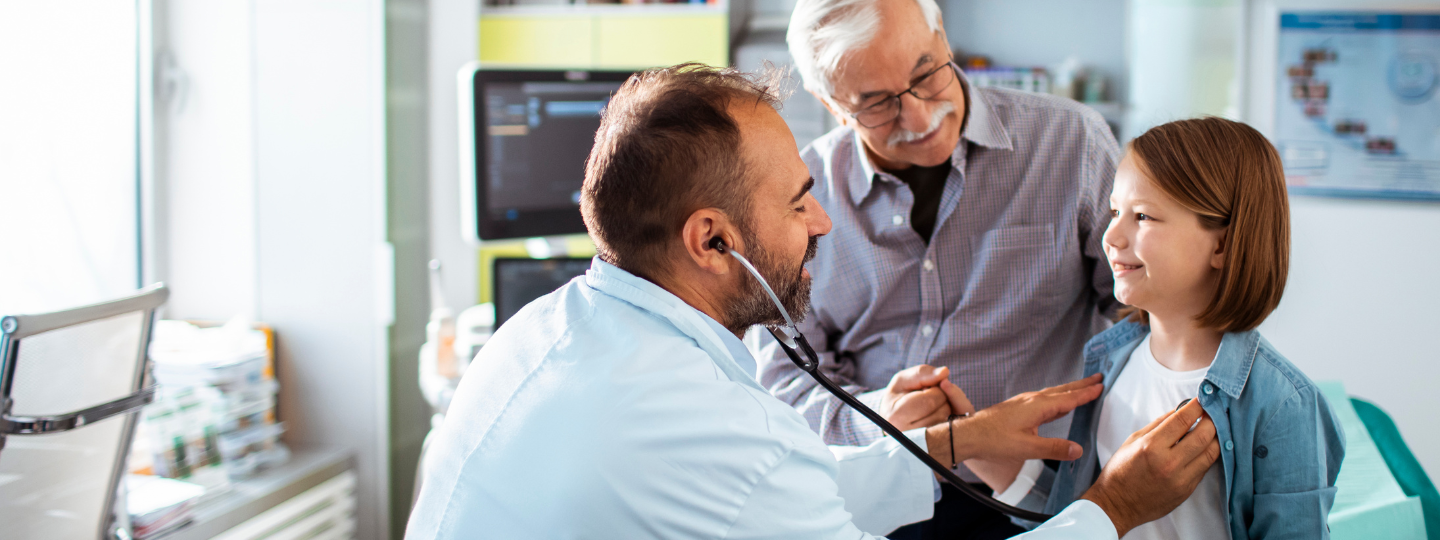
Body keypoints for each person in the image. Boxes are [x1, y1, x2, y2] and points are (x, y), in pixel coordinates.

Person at [404, 64, 1222, 539]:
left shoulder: (548, 328)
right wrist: (1113, 509)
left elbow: (793, 482)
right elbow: (758, 478)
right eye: (798, 202)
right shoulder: (702, 428)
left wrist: (948, 444)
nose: (824, 219)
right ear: (712, 241)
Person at [763, 0, 1124, 536]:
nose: (919, 117)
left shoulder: (1071, 144)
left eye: (926, 73)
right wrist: (878, 414)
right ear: (831, 103)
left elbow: (1140, 311)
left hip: (1053, 480)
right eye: (877, 103)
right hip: (881, 484)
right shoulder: (798, 194)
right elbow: (785, 382)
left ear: (944, 42)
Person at [972, 118, 1346, 540]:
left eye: (1143, 216)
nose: (1110, 236)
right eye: (1114, 212)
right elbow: (1083, 514)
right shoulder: (1108, 359)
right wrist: (971, 447)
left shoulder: (1282, 405)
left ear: (1222, 244)